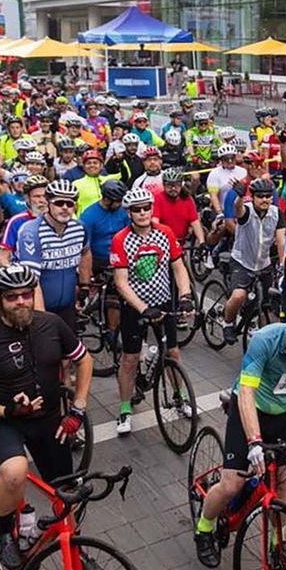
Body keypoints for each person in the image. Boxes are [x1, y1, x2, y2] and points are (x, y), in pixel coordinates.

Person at [0, 265, 94, 570]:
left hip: (48, 420)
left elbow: (85, 360)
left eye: (27, 294)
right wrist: (5, 411)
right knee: (15, 472)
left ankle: (75, 552)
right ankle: (4, 533)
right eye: (11, 297)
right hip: (5, 421)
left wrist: (78, 409)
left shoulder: (52, 324)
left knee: (66, 493)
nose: (21, 302)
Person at [195, 313, 286, 568]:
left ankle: (277, 544)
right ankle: (204, 528)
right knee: (232, 485)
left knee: (280, 482)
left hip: (280, 413)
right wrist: (254, 441)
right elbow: (246, 392)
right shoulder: (265, 339)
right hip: (250, 406)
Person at [109, 186, 191, 434]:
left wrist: (185, 296)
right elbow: (121, 282)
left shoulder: (165, 233)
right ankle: (124, 409)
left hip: (164, 301)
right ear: (129, 213)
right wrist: (143, 308)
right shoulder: (121, 239)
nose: (143, 213)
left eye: (146, 208)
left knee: (173, 353)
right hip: (135, 307)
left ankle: (181, 395)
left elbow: (178, 268)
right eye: (137, 209)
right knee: (130, 358)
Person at [11, 179, 91, 332]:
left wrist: (84, 285)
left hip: (67, 307)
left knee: (70, 353)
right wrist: (42, 319)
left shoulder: (80, 227)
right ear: (48, 203)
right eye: (59, 203)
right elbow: (32, 281)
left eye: (70, 203)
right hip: (39, 306)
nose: (65, 208)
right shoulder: (31, 231)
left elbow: (86, 252)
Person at [219, 177, 281, 326]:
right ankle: (227, 322)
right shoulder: (247, 210)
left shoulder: (276, 213)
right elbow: (238, 210)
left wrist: (283, 262)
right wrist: (240, 197)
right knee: (239, 295)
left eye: (268, 196)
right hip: (242, 262)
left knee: (265, 303)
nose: (264, 199)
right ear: (252, 197)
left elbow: (281, 240)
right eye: (260, 196)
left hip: (263, 264)